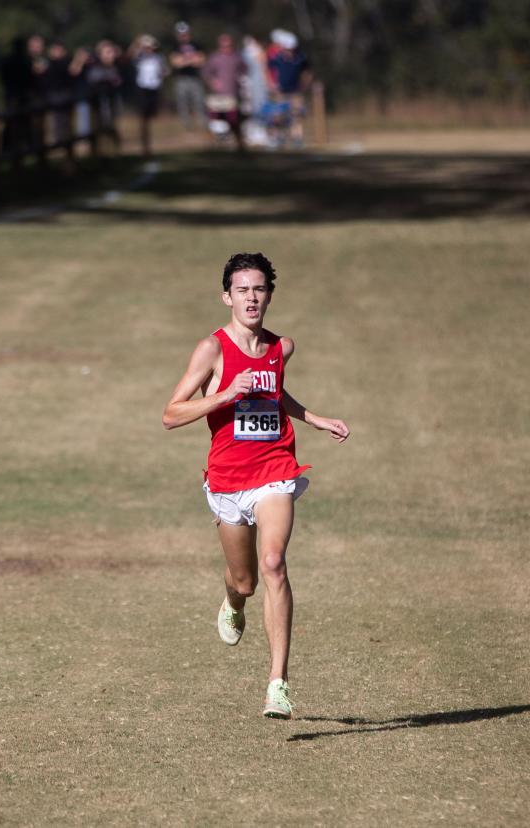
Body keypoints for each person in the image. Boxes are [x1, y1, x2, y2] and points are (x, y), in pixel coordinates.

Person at [162, 252, 350, 719]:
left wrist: (315, 419)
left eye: (260, 288)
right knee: (244, 581)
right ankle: (232, 601)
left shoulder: (280, 347)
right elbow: (170, 414)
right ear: (227, 296)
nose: (252, 297)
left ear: (269, 295)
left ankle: (277, 685)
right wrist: (226, 392)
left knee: (273, 563)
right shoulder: (213, 349)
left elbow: (275, 393)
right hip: (227, 479)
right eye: (242, 289)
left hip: (275, 468)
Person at [130, 35, 169, 156]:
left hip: (154, 89)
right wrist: (137, 42)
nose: (148, 49)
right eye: (145, 47)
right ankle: (145, 145)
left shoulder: (158, 58)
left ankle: (157, 144)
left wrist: (163, 73)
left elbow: (165, 71)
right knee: (143, 118)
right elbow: (130, 55)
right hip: (142, 90)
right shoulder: (139, 58)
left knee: (154, 116)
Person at [169, 21, 207, 131]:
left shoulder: (197, 44)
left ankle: (203, 124)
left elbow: (201, 61)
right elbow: (175, 63)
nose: (183, 36)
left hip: (195, 78)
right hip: (181, 79)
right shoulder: (174, 46)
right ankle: (187, 126)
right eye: (180, 34)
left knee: (199, 101)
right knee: (183, 103)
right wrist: (191, 59)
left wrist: (184, 60)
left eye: (185, 33)